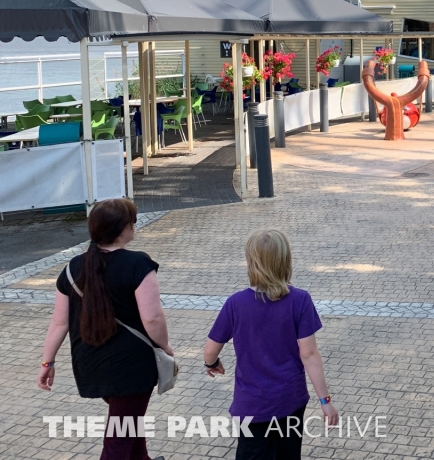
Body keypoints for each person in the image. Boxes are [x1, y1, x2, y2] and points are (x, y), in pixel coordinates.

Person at [38, 197, 172, 460]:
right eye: (132, 222)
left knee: (128, 422)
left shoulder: (72, 268)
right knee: (118, 440)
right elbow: (153, 319)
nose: (134, 226)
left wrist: (47, 363)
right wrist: (165, 347)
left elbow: (59, 323)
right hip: (130, 367)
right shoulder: (138, 264)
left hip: (91, 364)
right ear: (124, 229)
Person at [205, 230, 339, 459]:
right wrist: (325, 401)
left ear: (251, 262)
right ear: (285, 260)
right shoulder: (300, 300)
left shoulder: (235, 304)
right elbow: (309, 354)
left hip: (251, 404)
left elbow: (210, 350)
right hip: (290, 399)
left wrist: (212, 363)